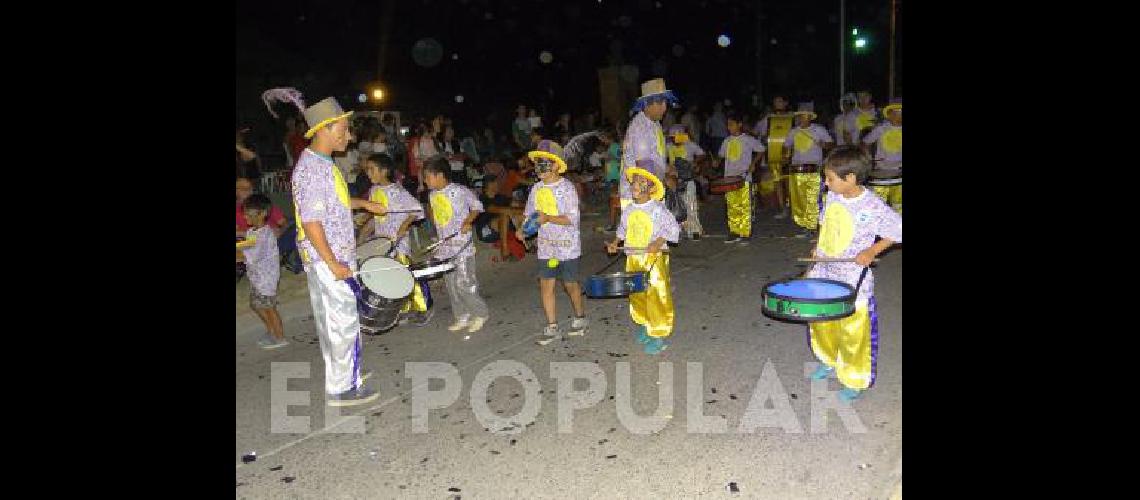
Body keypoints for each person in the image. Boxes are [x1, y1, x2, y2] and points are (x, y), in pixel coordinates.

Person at [271, 90, 389, 406]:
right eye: (343, 129)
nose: (349, 136)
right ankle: (342, 388)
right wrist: (333, 262)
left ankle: (345, 375)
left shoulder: (322, 163)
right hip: (328, 258)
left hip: (331, 255)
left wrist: (363, 203)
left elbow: (331, 204)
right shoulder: (312, 169)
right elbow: (311, 222)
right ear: (325, 127)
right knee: (342, 321)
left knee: (335, 321)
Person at [804, 147, 902, 402]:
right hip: (824, 271)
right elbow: (827, 224)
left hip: (853, 277)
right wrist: (817, 246)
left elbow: (897, 229)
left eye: (830, 178)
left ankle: (854, 377)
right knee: (823, 321)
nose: (826, 182)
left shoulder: (872, 205)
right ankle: (828, 359)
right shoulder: (833, 196)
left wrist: (872, 250)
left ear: (850, 179)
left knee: (853, 330)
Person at [604, 165, 680, 355]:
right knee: (637, 294)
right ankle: (646, 324)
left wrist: (658, 242)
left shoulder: (657, 209)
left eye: (641, 182)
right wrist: (615, 243)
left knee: (655, 295)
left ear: (652, 188)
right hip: (633, 259)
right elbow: (622, 231)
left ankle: (658, 334)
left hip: (653, 260)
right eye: (634, 182)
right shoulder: (629, 209)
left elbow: (673, 229)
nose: (635, 186)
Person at [519, 141, 588, 346]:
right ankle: (552, 326)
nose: (539, 167)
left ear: (557, 165)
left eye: (544, 162)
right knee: (545, 285)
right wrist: (522, 229)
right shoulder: (536, 190)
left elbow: (571, 219)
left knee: (570, 285)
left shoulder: (567, 189)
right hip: (546, 247)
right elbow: (530, 215)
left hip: (567, 247)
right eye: (537, 162)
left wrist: (548, 218)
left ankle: (580, 316)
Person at [355, 153, 433, 326]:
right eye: (367, 169)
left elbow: (417, 209)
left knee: (408, 274)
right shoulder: (374, 191)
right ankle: (404, 309)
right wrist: (362, 239)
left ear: (384, 171)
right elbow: (375, 218)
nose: (368, 173)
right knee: (395, 278)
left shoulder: (397, 191)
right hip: (383, 242)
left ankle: (424, 308)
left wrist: (404, 227)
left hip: (399, 242)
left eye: (371, 169)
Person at [424, 158, 490, 333]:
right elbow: (436, 216)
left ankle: (480, 313)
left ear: (440, 175)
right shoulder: (432, 195)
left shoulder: (460, 191)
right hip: (445, 246)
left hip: (462, 245)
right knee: (451, 284)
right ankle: (462, 316)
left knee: (464, 282)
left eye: (428, 177)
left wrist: (468, 221)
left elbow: (477, 206)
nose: (425, 181)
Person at [237, 194, 288, 349]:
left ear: (262, 214)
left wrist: (239, 251)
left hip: (266, 281)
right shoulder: (255, 230)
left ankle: (279, 337)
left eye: (248, 214)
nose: (245, 216)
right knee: (256, 305)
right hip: (257, 279)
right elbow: (248, 241)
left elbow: (249, 255)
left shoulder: (265, 235)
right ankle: (271, 330)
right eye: (244, 213)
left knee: (269, 308)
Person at [620, 78, 677, 211]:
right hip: (639, 196)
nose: (664, 107)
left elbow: (654, 156)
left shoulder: (654, 123)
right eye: (659, 102)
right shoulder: (640, 128)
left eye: (665, 102)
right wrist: (666, 179)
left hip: (651, 191)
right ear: (646, 104)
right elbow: (643, 168)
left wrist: (667, 168)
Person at [782, 102, 834, 236]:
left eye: (804, 116)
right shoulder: (793, 131)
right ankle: (805, 225)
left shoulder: (819, 130)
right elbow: (786, 146)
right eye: (799, 116)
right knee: (799, 199)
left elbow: (830, 144)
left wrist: (824, 144)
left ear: (810, 117)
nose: (801, 119)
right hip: (797, 169)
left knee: (813, 198)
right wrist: (785, 155)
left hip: (815, 169)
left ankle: (813, 226)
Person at [236, 177, 303, 273]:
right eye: (243, 188)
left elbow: (284, 223)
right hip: (252, 245)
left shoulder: (262, 203)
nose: (248, 191)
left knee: (299, 226)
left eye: (250, 188)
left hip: (275, 241)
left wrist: (280, 231)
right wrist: (255, 234)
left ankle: (296, 265)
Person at [718, 112, 765, 244]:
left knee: (744, 205)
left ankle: (745, 233)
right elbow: (721, 156)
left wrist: (753, 164)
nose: (729, 127)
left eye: (732, 124)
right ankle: (734, 231)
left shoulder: (748, 139)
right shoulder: (726, 141)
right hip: (729, 177)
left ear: (739, 125)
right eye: (728, 125)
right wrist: (716, 162)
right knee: (732, 206)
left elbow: (761, 150)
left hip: (744, 177)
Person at [754, 95, 794, 218]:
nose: (777, 104)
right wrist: (764, 138)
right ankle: (783, 208)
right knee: (777, 182)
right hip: (773, 156)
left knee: (790, 183)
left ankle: (794, 208)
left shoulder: (792, 117)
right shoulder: (768, 119)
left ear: (785, 103)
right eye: (775, 102)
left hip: (790, 156)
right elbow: (757, 132)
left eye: (780, 101)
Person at [861, 98, 902, 213]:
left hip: (900, 173)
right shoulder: (881, 129)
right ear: (889, 115)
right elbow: (865, 143)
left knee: (898, 205)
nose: (899, 115)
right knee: (878, 207)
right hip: (881, 173)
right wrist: (869, 158)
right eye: (896, 112)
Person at [666, 124, 707, 239]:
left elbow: (702, 154)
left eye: (674, 137)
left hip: (687, 179)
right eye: (671, 137)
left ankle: (694, 231)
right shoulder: (668, 146)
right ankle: (680, 229)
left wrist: (694, 163)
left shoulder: (690, 145)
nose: (673, 139)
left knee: (691, 204)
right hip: (674, 180)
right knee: (677, 205)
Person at [601, 130, 623, 232]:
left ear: (609, 138)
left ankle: (614, 224)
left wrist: (611, 157)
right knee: (613, 201)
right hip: (611, 176)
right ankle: (614, 223)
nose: (603, 140)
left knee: (614, 201)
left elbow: (621, 159)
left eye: (604, 138)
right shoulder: (610, 147)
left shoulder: (615, 146)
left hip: (615, 177)